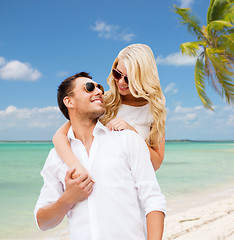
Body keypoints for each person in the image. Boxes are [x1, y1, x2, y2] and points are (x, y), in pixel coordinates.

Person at [34, 72, 166, 239]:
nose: (98, 91)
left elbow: (153, 200)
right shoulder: (56, 158)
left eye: (100, 88)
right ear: (69, 101)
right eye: (89, 88)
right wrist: (68, 198)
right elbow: (43, 223)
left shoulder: (128, 139)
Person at [53, 44, 166, 180]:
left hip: (133, 189)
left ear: (142, 78)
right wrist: (76, 167)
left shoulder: (154, 110)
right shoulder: (103, 100)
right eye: (117, 74)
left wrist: (133, 134)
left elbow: (156, 164)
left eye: (129, 79)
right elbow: (59, 137)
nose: (121, 83)